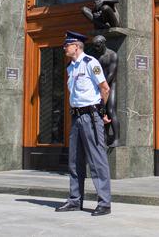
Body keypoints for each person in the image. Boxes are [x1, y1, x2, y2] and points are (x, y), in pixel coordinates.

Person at [55, 31, 112, 216]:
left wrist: (101, 111)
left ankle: (104, 203)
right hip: (76, 117)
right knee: (74, 160)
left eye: (67, 45)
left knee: (97, 160)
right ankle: (74, 200)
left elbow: (104, 88)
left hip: (91, 115)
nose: (64, 47)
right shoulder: (70, 68)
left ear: (77, 46)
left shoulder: (91, 63)